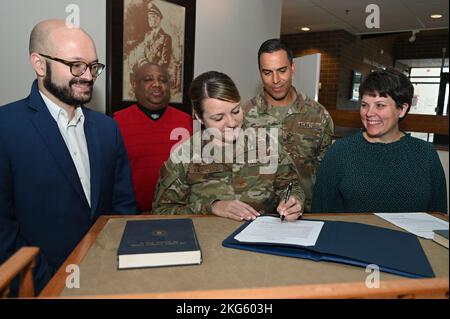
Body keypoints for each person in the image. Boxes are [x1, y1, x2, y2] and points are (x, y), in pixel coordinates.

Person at [0, 20, 137, 296]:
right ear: (40, 65)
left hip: (107, 281)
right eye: (76, 65)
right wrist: (47, 284)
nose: (88, 76)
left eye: (93, 66)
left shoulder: (108, 128)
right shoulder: (6, 127)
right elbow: (3, 231)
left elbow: (123, 208)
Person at [152, 71, 304, 221]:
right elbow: (162, 211)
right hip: (209, 241)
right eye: (218, 118)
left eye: (236, 111)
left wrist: (293, 202)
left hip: (260, 239)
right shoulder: (185, 156)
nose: (232, 123)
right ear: (199, 117)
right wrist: (211, 207)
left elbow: (292, 187)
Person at [312, 68, 447, 213]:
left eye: (380, 105)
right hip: (351, 235)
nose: (369, 113)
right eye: (364, 105)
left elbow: (438, 216)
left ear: (401, 109)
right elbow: (320, 210)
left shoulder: (425, 154)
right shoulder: (340, 151)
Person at [243, 38, 334, 213]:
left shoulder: (318, 115)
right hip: (257, 216)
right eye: (267, 72)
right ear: (260, 73)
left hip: (306, 213)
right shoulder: (243, 115)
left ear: (292, 68)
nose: (275, 80)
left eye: (282, 70)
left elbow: (326, 173)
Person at [114, 62, 193, 212]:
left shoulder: (187, 122)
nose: (157, 84)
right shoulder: (116, 122)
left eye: (163, 80)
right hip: (131, 214)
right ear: (134, 84)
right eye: (148, 79)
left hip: (177, 212)